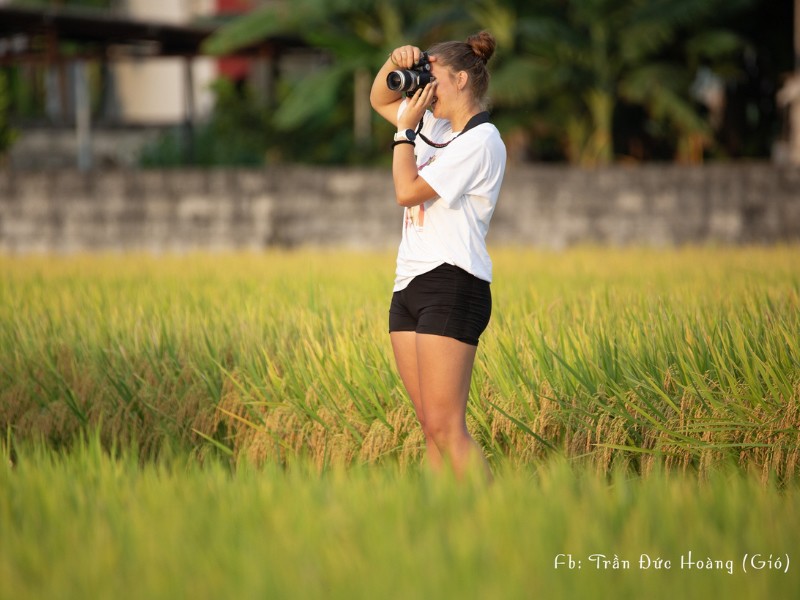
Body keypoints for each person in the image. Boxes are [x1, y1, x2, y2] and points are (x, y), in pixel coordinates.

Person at [369, 31, 506, 480]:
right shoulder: (435, 127)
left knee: (448, 428)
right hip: (409, 282)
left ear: (463, 79)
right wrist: (396, 59)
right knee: (430, 427)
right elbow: (379, 99)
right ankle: (442, 526)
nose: (425, 90)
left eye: (434, 80)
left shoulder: (481, 141)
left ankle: (500, 518)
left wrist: (404, 134)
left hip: (453, 282)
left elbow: (407, 192)